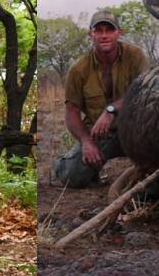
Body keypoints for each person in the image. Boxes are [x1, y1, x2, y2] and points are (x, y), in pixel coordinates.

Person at [52, 10, 149, 188]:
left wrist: (111, 109)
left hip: (137, 130)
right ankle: (63, 164)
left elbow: (145, 92)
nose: (104, 35)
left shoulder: (136, 56)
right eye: (98, 30)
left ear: (119, 32)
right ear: (91, 34)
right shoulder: (79, 69)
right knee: (72, 176)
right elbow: (71, 113)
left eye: (109, 30)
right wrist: (87, 142)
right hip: (102, 136)